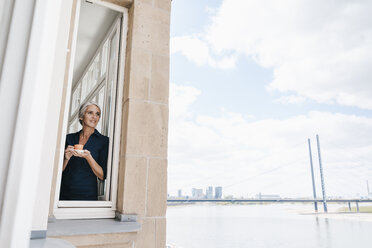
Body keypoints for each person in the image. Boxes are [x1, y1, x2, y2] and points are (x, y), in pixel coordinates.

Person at [60, 102, 109, 200]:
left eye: (97, 114)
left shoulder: (104, 141)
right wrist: (66, 158)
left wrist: (88, 157)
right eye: (90, 113)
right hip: (63, 194)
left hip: (87, 195)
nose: (94, 117)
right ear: (81, 117)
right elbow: (58, 171)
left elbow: (102, 176)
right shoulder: (69, 138)